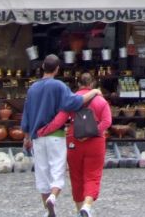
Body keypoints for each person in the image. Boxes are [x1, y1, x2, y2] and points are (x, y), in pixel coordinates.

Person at [22, 55, 100, 217]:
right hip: (55, 135)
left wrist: (26, 137)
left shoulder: (32, 88)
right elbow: (75, 102)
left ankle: (48, 211)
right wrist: (93, 92)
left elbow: (27, 115)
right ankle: (53, 196)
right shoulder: (59, 86)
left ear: (43, 67)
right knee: (57, 171)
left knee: (42, 174)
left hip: (37, 137)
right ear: (57, 69)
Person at [36, 72, 111, 217]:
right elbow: (107, 121)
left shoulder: (71, 101)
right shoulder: (101, 101)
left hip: (74, 141)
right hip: (95, 142)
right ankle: (87, 207)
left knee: (76, 177)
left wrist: (42, 131)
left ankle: (78, 210)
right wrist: (93, 132)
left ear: (78, 84)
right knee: (93, 175)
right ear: (92, 84)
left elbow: (59, 121)